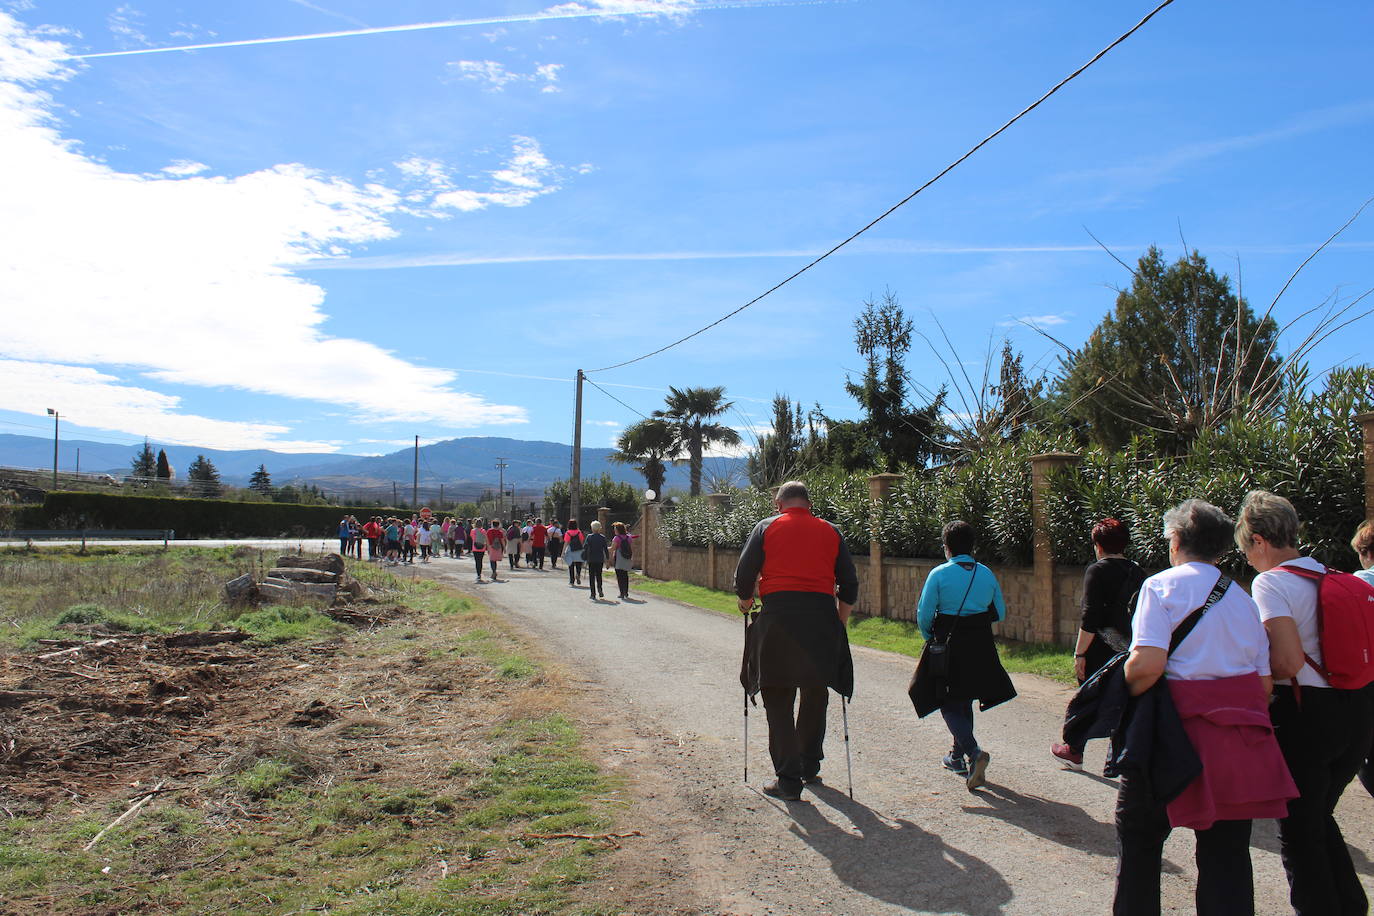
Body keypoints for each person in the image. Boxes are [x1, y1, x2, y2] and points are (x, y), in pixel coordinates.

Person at [1113, 498, 1295, 916]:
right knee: (1227, 853)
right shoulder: (1243, 598)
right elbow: (1263, 683)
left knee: (1139, 838)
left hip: (1168, 739)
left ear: (1176, 540)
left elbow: (1147, 665)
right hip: (1234, 742)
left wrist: (1118, 687)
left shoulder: (1159, 587)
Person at [1241, 491, 1372, 916]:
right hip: (1359, 710)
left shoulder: (1271, 582)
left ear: (1259, 541)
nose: (1248, 559)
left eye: (1246, 549)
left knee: (1298, 829)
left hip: (1306, 715)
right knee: (1317, 815)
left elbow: (1287, 661)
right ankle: (1350, 905)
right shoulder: (1344, 578)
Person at [733, 480, 858, 801]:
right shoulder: (831, 530)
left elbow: (744, 576)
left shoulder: (765, 527)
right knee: (815, 693)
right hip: (820, 622)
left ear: (778, 505)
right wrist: (839, 621)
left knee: (778, 698)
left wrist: (745, 603)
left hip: (778, 620)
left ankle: (788, 781)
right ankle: (808, 765)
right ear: (809, 506)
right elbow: (849, 583)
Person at [910, 520, 1015, 790]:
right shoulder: (986, 573)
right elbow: (1000, 613)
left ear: (947, 547)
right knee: (964, 697)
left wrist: (930, 640)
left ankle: (973, 752)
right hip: (981, 644)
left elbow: (924, 615)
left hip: (949, 643)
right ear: (972, 546)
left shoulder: (939, 574)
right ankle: (956, 757)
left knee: (946, 700)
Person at [1051, 518, 1148, 769]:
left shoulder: (1097, 570)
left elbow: (1090, 617)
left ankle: (1074, 751)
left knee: (1088, 698)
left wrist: (1079, 653)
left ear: (1098, 545)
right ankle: (1119, 757)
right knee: (1124, 700)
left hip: (1100, 647)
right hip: (1129, 647)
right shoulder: (1137, 571)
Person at [583, 520, 609, 601]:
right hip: (600, 559)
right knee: (599, 575)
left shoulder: (589, 537)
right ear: (599, 528)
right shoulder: (602, 537)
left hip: (591, 559)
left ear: (592, 528)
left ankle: (593, 593)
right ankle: (600, 588)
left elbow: (585, 548)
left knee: (591, 577)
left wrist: (584, 558)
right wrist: (607, 560)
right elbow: (605, 550)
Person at [610, 521, 634, 599]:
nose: (614, 531)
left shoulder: (616, 538)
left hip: (619, 558)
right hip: (627, 557)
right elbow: (630, 547)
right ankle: (626, 592)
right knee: (625, 575)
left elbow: (612, 548)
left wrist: (604, 548)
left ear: (618, 530)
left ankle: (622, 593)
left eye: (615, 529)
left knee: (619, 576)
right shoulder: (628, 537)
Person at [564, 520, 585, 586]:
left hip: (570, 550)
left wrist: (563, 552)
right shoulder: (579, 532)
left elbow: (566, 542)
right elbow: (581, 541)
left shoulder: (568, 532)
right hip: (578, 550)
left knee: (571, 565)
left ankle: (572, 581)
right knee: (579, 564)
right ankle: (578, 574)